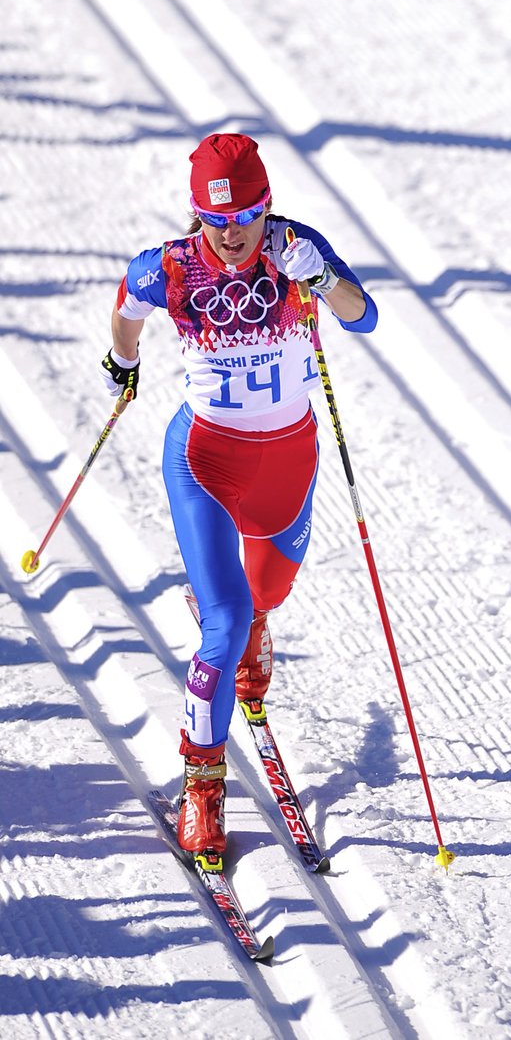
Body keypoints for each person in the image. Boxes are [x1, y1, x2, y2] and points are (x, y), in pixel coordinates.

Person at [103, 133, 377, 857]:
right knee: (221, 627)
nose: (231, 235)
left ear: (267, 207)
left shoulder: (295, 250)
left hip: (287, 459)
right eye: (216, 221)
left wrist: (320, 280)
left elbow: (363, 315)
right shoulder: (171, 267)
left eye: (246, 217)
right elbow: (127, 304)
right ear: (198, 215)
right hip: (205, 460)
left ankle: (254, 621)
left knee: (267, 596)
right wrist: (121, 360)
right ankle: (202, 786)